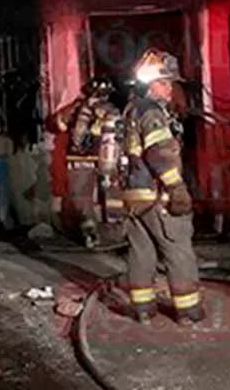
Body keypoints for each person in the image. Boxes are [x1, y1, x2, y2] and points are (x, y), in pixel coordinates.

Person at [119, 48, 202, 324]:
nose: (170, 89)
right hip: (157, 193)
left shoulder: (131, 109)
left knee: (141, 251)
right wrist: (176, 187)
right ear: (151, 84)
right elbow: (160, 153)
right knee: (177, 247)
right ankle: (188, 310)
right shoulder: (152, 112)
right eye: (165, 82)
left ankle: (143, 309)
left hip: (134, 194)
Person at [54, 76, 122, 248]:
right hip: (105, 159)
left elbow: (59, 124)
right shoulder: (111, 110)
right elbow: (114, 137)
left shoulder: (76, 108)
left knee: (81, 198)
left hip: (78, 159)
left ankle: (90, 234)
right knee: (112, 195)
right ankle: (114, 233)